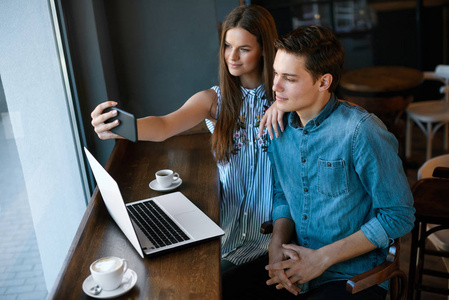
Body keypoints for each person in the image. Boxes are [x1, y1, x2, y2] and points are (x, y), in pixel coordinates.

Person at [224, 25, 416, 300]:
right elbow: (283, 194)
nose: (275, 86)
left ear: (324, 82)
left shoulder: (361, 132)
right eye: (276, 73)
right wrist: (276, 245)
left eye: (289, 78)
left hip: (352, 276)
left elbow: (399, 215)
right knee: (220, 289)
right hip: (293, 262)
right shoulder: (278, 129)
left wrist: (321, 259)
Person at [90, 5, 280, 273]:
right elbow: (164, 125)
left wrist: (283, 101)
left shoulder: (285, 101)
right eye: (227, 46)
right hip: (221, 229)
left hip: (269, 238)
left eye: (244, 49)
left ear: (264, 50)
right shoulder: (214, 101)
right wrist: (117, 125)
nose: (232, 56)